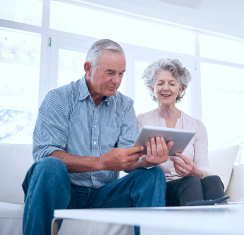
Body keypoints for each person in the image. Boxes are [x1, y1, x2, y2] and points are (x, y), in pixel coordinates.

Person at [22, 39, 173, 235]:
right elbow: (44, 154)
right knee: (50, 165)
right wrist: (101, 162)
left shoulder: (124, 105)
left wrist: (146, 161)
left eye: (121, 74)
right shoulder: (59, 98)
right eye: (110, 73)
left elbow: (128, 162)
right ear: (88, 68)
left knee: (153, 174)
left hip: (104, 195)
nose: (117, 80)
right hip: (65, 191)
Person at [137, 59, 225, 207]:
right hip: (161, 189)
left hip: (192, 183)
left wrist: (196, 172)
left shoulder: (196, 126)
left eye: (172, 84)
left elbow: (205, 171)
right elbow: (133, 163)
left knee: (214, 180)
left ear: (180, 89)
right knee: (191, 183)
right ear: (152, 88)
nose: (166, 88)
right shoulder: (142, 121)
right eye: (160, 83)